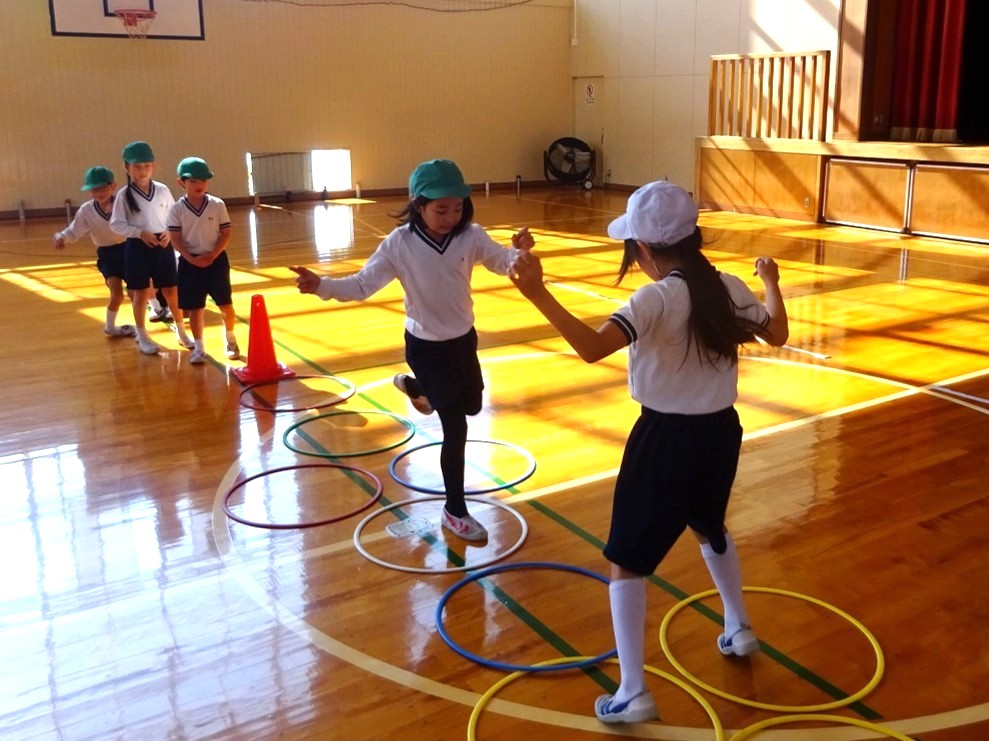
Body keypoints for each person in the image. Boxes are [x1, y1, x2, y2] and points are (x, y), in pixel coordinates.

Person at [509, 181, 788, 724]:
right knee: (709, 525)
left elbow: (592, 348)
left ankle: (633, 691)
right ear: (693, 237)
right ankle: (738, 626)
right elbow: (777, 332)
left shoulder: (655, 298)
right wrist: (771, 282)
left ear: (642, 249)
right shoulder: (728, 286)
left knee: (626, 562)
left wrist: (537, 293)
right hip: (721, 432)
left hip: (664, 439)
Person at [290, 159, 534, 541]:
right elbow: (362, 285)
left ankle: (417, 389)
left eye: (457, 208)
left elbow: (502, 262)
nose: (450, 217)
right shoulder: (399, 244)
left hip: (463, 341)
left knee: (473, 405)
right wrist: (322, 285)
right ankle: (455, 512)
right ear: (419, 205)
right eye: (441, 209)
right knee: (457, 426)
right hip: (425, 348)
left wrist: (518, 252)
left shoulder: (470, 235)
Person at [110, 140, 192, 355]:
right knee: (140, 292)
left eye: (146, 165)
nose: (142, 170)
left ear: (153, 166)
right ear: (127, 168)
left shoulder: (163, 190)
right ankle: (143, 335)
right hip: (138, 247)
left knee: (172, 290)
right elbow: (116, 224)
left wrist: (169, 232)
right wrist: (139, 233)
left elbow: (174, 216)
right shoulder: (124, 196)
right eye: (137, 166)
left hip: (163, 245)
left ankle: (182, 331)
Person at [166, 156, 239, 365]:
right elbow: (175, 239)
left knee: (226, 305)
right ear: (181, 183)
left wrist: (213, 254)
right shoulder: (176, 209)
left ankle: (231, 339)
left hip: (216, 261)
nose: (199, 185)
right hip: (190, 263)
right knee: (195, 308)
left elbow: (226, 233)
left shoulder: (217, 205)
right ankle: (199, 347)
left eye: (203, 180)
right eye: (193, 181)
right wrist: (191, 259)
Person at [54, 166, 136, 339]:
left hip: (128, 251)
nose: (100, 193)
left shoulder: (123, 204)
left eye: (103, 188)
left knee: (135, 292)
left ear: (113, 186)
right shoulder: (87, 210)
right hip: (107, 255)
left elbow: (138, 223)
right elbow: (74, 230)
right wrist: (61, 237)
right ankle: (110, 327)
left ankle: (142, 330)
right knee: (116, 294)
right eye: (95, 189)